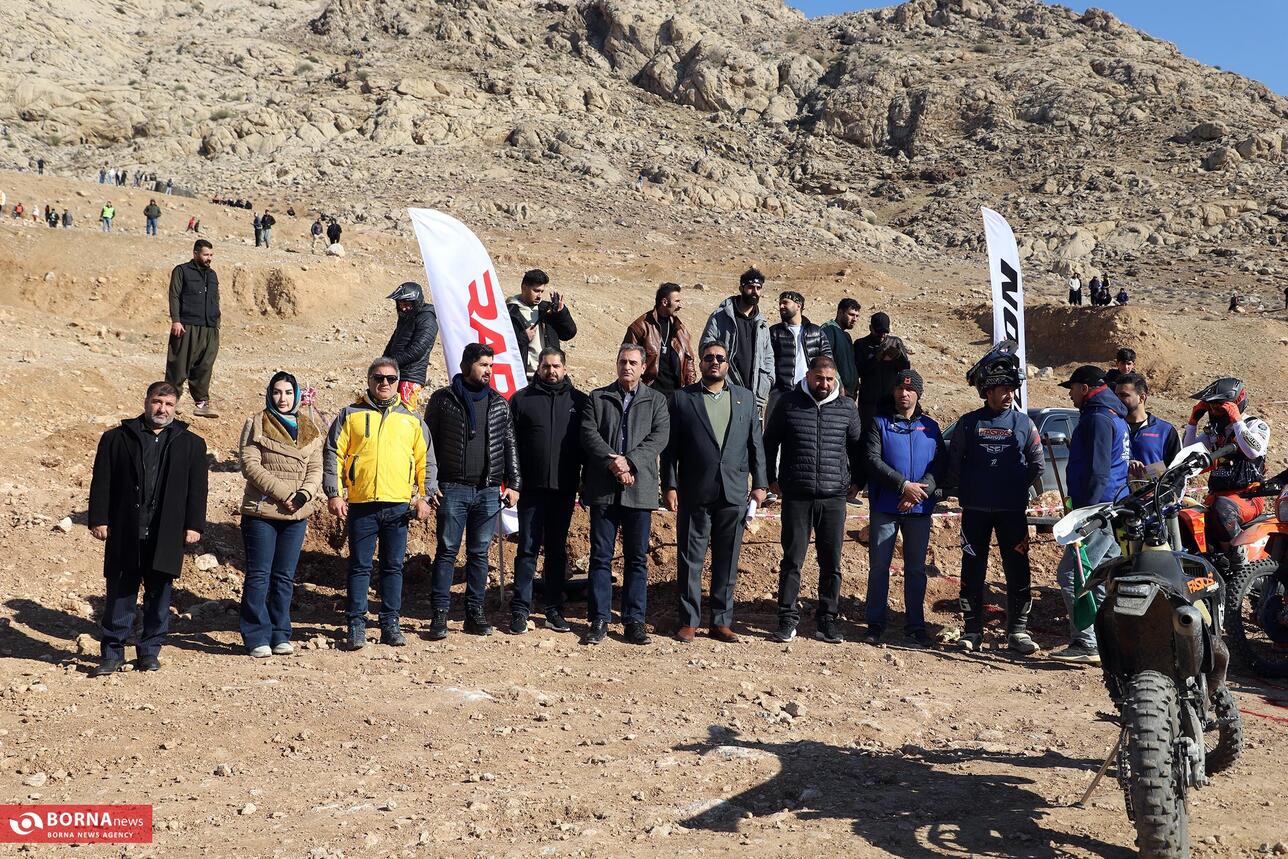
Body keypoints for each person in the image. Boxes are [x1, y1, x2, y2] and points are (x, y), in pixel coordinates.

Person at [87, 382, 208, 676]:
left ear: (176, 407)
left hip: (166, 531)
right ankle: (112, 653)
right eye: (157, 402)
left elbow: (197, 490)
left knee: (159, 596)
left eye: (168, 404)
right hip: (125, 528)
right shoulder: (116, 438)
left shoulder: (191, 444)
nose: (162, 409)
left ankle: (150, 652)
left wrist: (194, 525)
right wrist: (99, 519)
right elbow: (102, 481)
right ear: (146, 402)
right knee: (120, 593)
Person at [324, 358, 436, 649]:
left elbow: (426, 461)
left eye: (390, 378)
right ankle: (355, 625)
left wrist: (425, 496)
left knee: (393, 567)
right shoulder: (350, 414)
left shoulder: (412, 419)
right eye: (378, 377)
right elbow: (333, 453)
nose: (384, 382)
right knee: (359, 567)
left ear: (398, 382)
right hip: (361, 504)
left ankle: (390, 624)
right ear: (369, 380)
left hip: (398, 506)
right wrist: (334, 493)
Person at [662, 340, 768, 643]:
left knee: (727, 559)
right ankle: (689, 621)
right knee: (690, 559)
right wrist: (669, 485)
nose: (714, 362)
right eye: (708, 357)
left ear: (727, 363)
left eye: (720, 358)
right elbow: (670, 449)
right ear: (701, 362)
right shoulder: (682, 399)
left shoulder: (745, 398)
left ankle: (721, 621)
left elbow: (756, 444)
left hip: (733, 492)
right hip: (694, 491)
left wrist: (760, 484)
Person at [944, 352, 1045, 654]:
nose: (1009, 395)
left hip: (1012, 511)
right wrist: (967, 488)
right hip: (974, 511)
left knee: (1018, 568)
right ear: (987, 392)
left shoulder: (1024, 423)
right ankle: (972, 630)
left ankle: (1018, 632)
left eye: (1012, 389)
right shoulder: (968, 423)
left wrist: (1014, 488)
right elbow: (954, 463)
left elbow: (1037, 465)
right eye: (1003, 390)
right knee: (972, 568)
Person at [764, 356, 863, 644]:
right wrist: (769, 478)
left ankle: (827, 620)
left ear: (836, 380)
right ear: (808, 376)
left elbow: (857, 448)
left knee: (831, 563)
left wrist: (858, 481)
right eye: (819, 378)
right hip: (796, 494)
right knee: (792, 560)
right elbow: (769, 443)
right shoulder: (788, 403)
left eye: (830, 379)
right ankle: (787, 618)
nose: (824, 384)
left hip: (834, 498)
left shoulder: (847, 407)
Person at [422, 343, 520, 639]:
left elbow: (509, 444)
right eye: (483, 365)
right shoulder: (443, 400)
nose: (488, 370)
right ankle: (439, 615)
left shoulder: (499, 403)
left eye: (491, 365)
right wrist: (429, 484)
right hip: (452, 489)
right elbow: (427, 445)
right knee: (447, 551)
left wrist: (514, 483)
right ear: (467, 366)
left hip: (488, 490)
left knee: (479, 554)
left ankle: (474, 614)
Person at [580, 344, 670, 645]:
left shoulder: (657, 400)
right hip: (604, 490)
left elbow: (659, 437)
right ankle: (599, 619)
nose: (627, 367)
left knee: (636, 558)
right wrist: (614, 464)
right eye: (622, 361)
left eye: (632, 362)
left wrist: (629, 461)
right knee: (600, 557)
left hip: (639, 490)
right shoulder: (598, 398)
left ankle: (634, 620)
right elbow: (589, 434)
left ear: (643, 367)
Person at [238, 372, 322, 658]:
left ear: (296, 395)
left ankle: (280, 633)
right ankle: (256, 636)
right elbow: (250, 465)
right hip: (263, 511)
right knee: (259, 576)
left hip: (297, 513)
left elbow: (315, 467)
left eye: (288, 392)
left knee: (284, 577)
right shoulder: (257, 422)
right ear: (269, 394)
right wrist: (285, 494)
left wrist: (303, 495)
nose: (282, 398)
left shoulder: (309, 426)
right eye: (277, 392)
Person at [1051, 366, 1130, 664]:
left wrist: (1082, 513)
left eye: (1072, 388)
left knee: (1074, 573)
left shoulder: (1098, 418)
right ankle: (1105, 641)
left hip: (1096, 511)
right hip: (1110, 508)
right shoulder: (1113, 416)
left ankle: (1086, 642)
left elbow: (1098, 471)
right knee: (1098, 577)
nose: (1070, 395)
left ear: (1084, 388)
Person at [862, 369, 945, 648]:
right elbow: (872, 460)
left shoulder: (930, 427)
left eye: (909, 389)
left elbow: (940, 465)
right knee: (879, 568)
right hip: (886, 507)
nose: (903, 393)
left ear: (918, 393)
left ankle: (916, 626)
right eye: (899, 388)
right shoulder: (879, 424)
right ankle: (875, 624)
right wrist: (902, 485)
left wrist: (920, 491)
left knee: (916, 570)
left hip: (919, 509)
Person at [508, 347, 587, 634]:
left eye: (556, 366)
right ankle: (520, 609)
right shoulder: (521, 400)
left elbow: (586, 447)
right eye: (546, 366)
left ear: (565, 368)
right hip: (530, 490)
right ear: (538, 368)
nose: (551, 371)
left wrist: (585, 484)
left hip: (564, 490)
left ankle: (554, 609)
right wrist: (512, 482)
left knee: (556, 550)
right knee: (527, 549)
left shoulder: (580, 402)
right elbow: (510, 444)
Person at [1183, 377, 1272, 570]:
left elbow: (1253, 451)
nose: (1214, 411)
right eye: (1211, 406)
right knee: (1185, 514)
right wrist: (1193, 421)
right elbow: (1189, 453)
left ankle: (1239, 560)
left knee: (1222, 507)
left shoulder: (1255, 425)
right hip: (1216, 496)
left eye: (1218, 406)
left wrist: (1236, 419)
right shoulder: (1215, 432)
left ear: (1234, 403)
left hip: (1247, 497)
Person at [700, 268, 774, 412]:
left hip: (754, 394)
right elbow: (705, 347)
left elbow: (768, 356)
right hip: (725, 388)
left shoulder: (762, 323)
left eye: (758, 288)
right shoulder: (721, 316)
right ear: (741, 288)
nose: (755, 291)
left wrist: (767, 380)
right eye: (750, 287)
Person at [166, 240, 222, 419]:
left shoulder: (212, 275)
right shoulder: (182, 271)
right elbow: (174, 295)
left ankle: (202, 404)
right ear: (195, 253)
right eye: (206, 255)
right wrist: (176, 320)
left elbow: (216, 299)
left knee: (205, 366)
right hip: (186, 325)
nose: (209, 258)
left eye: (211, 255)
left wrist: (216, 323)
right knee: (179, 365)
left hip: (209, 327)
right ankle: (171, 402)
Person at [623, 282, 697, 398]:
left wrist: (691, 391)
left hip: (676, 395)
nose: (680, 305)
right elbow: (627, 359)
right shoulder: (640, 327)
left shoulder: (679, 329)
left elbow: (688, 362)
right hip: (649, 394)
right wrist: (636, 391)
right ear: (664, 302)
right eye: (677, 301)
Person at [506, 269, 577, 379]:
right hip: (524, 377)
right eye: (536, 291)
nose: (539, 295)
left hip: (549, 376)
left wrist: (561, 313)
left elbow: (568, 333)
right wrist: (522, 338)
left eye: (542, 291)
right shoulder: (509, 312)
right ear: (524, 288)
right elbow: (501, 346)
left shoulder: (546, 309)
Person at [768, 291, 831, 414]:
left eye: (785, 303)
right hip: (780, 393)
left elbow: (828, 361)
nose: (781, 306)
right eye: (780, 304)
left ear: (798, 305)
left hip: (809, 393)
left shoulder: (816, 332)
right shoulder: (774, 332)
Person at [382, 282, 439, 410]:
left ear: (416, 302)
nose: (403, 308)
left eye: (406, 304)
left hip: (410, 376)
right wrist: (383, 361)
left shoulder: (427, 319)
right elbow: (393, 341)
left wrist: (391, 362)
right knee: (388, 411)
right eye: (400, 304)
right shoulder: (406, 318)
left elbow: (417, 350)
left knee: (405, 414)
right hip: (395, 373)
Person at [1115, 373, 1181, 477]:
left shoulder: (1165, 430)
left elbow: (1178, 471)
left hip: (1153, 487)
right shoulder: (1111, 426)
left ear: (1142, 398)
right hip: (1117, 487)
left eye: (1124, 395)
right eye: (1116, 395)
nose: (1117, 400)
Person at [819, 298, 861, 397]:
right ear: (840, 312)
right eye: (851, 314)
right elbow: (826, 361)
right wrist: (839, 385)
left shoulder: (846, 336)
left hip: (849, 394)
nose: (855, 319)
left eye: (857, 316)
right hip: (836, 392)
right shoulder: (828, 330)